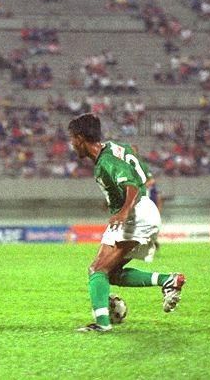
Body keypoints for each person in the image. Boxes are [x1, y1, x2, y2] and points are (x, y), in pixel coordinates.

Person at [68, 114, 185, 332]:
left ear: (81, 138)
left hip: (135, 213)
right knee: (110, 272)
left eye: (73, 139)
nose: (72, 144)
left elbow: (131, 184)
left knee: (97, 269)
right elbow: (138, 173)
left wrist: (123, 211)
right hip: (143, 210)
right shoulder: (117, 147)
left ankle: (102, 324)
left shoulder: (106, 161)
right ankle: (168, 280)